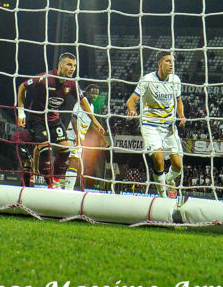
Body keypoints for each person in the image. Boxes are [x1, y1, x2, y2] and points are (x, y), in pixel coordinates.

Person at [16, 52, 104, 188]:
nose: (72, 68)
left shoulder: (72, 84)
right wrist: (21, 112)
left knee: (65, 149)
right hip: (37, 119)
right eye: (69, 64)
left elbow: (83, 101)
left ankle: (56, 179)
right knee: (45, 149)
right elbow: (22, 87)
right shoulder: (45, 79)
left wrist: (95, 121)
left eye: (74, 65)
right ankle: (49, 184)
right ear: (60, 65)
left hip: (54, 119)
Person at [125, 51, 186, 198]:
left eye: (172, 61)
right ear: (160, 64)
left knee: (178, 166)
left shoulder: (175, 80)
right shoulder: (147, 80)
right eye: (167, 61)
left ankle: (167, 181)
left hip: (169, 127)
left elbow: (178, 100)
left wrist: (181, 115)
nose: (171, 64)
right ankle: (162, 196)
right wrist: (132, 110)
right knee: (159, 159)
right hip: (151, 126)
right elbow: (131, 101)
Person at [65, 84, 107, 190]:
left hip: (80, 137)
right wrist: (77, 136)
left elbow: (91, 124)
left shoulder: (91, 107)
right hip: (73, 135)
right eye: (92, 93)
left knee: (75, 162)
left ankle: (67, 186)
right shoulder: (81, 104)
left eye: (96, 93)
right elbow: (74, 119)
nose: (95, 95)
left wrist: (102, 138)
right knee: (74, 161)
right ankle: (68, 189)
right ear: (86, 93)